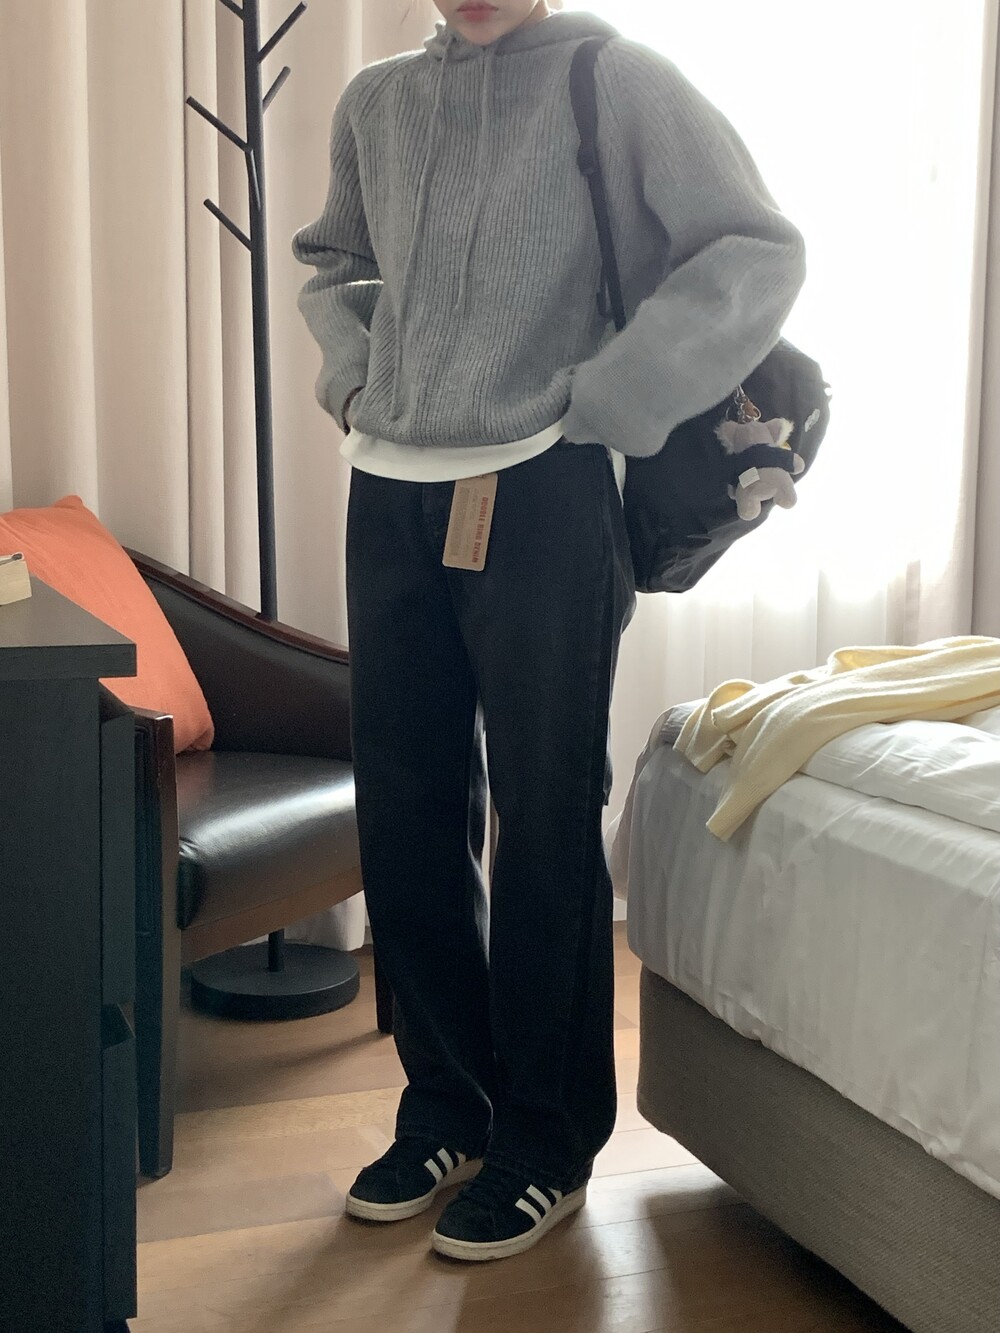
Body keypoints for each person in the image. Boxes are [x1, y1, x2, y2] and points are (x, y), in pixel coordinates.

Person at [292, 0, 805, 1263]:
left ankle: (545, 1138)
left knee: (545, 809)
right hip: (390, 487)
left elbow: (753, 249)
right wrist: (355, 380)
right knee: (405, 809)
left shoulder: (614, 79)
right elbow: (334, 262)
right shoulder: (377, 102)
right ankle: (443, 1108)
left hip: (546, 488)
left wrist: (609, 400)